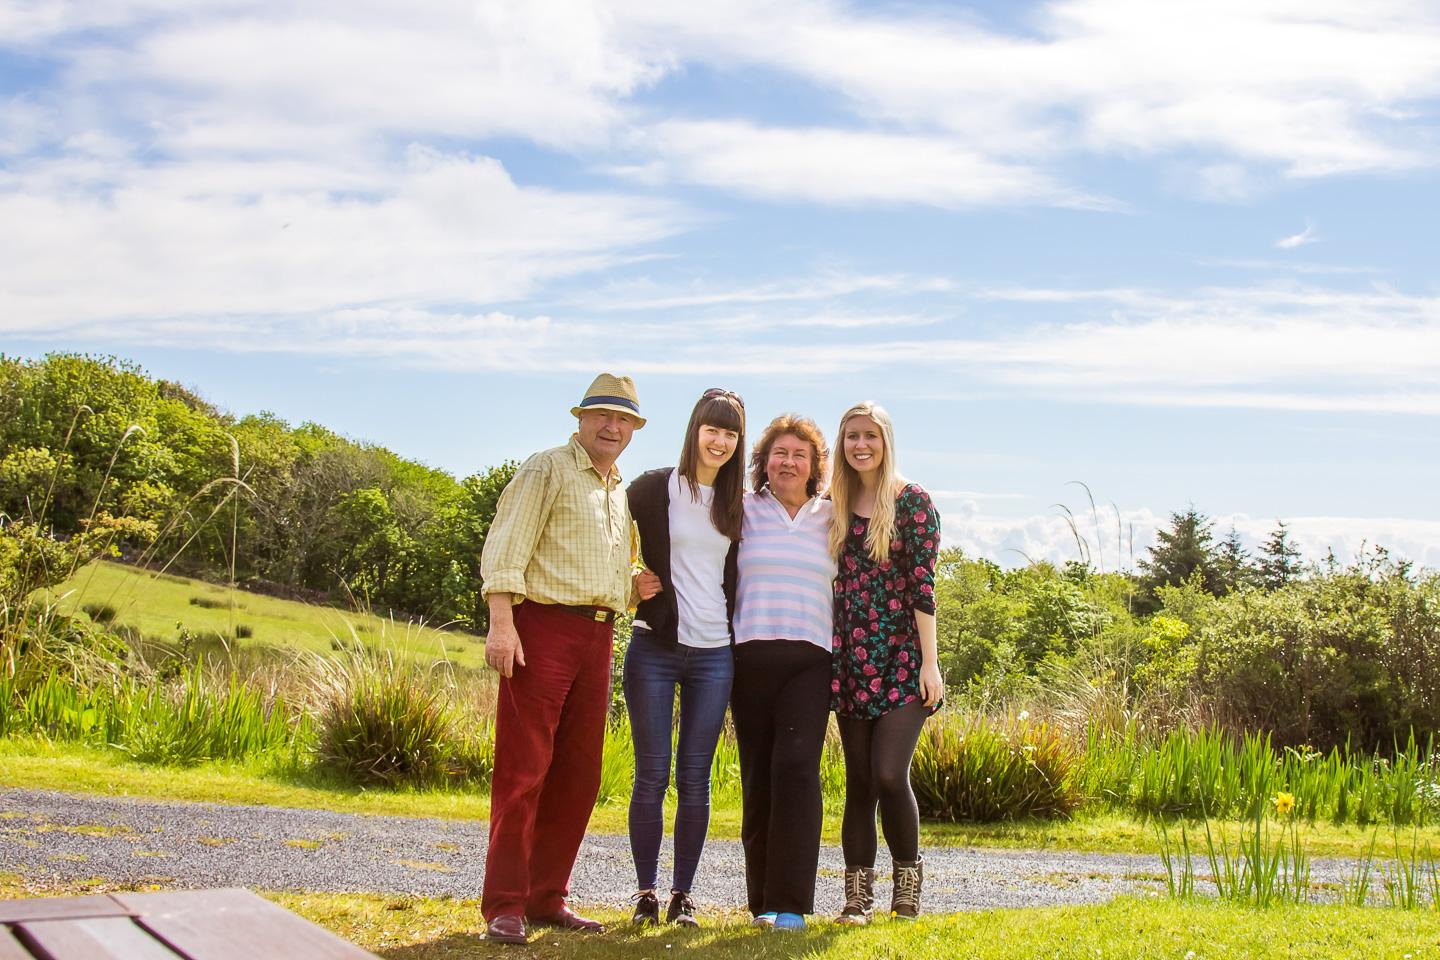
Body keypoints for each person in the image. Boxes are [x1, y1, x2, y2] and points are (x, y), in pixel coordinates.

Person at [478, 373, 645, 945]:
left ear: (633, 430)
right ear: (580, 419)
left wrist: (634, 583)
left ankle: (547, 896)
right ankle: (503, 903)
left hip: (599, 636)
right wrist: (503, 625)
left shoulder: (618, 489)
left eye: (623, 420)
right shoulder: (545, 468)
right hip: (542, 627)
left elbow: (610, 570)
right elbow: (505, 549)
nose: (612, 427)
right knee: (525, 768)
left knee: (579, 773)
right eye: (602, 416)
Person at [624, 388, 746, 927]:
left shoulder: (739, 502)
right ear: (694, 429)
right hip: (654, 646)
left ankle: (682, 896)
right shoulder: (653, 488)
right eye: (712, 429)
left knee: (696, 777)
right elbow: (608, 534)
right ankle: (646, 892)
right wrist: (629, 577)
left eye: (730, 433)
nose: (719, 441)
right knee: (651, 775)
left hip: (715, 652)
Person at [827, 401, 942, 924]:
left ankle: (908, 882)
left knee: (890, 775)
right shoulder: (834, 502)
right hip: (850, 660)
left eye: (870, 436)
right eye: (852, 436)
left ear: (885, 440)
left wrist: (930, 664)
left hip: (901, 663)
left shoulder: (913, 502)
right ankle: (857, 897)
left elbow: (924, 588)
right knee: (859, 783)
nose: (860, 445)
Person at [730, 414, 835, 931]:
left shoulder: (831, 518)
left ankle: (791, 904)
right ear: (763, 462)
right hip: (748, 656)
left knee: (795, 769)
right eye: (780, 453)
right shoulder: (741, 510)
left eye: (800, 454)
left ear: (816, 466)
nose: (789, 462)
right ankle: (761, 903)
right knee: (758, 777)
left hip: (811, 661)